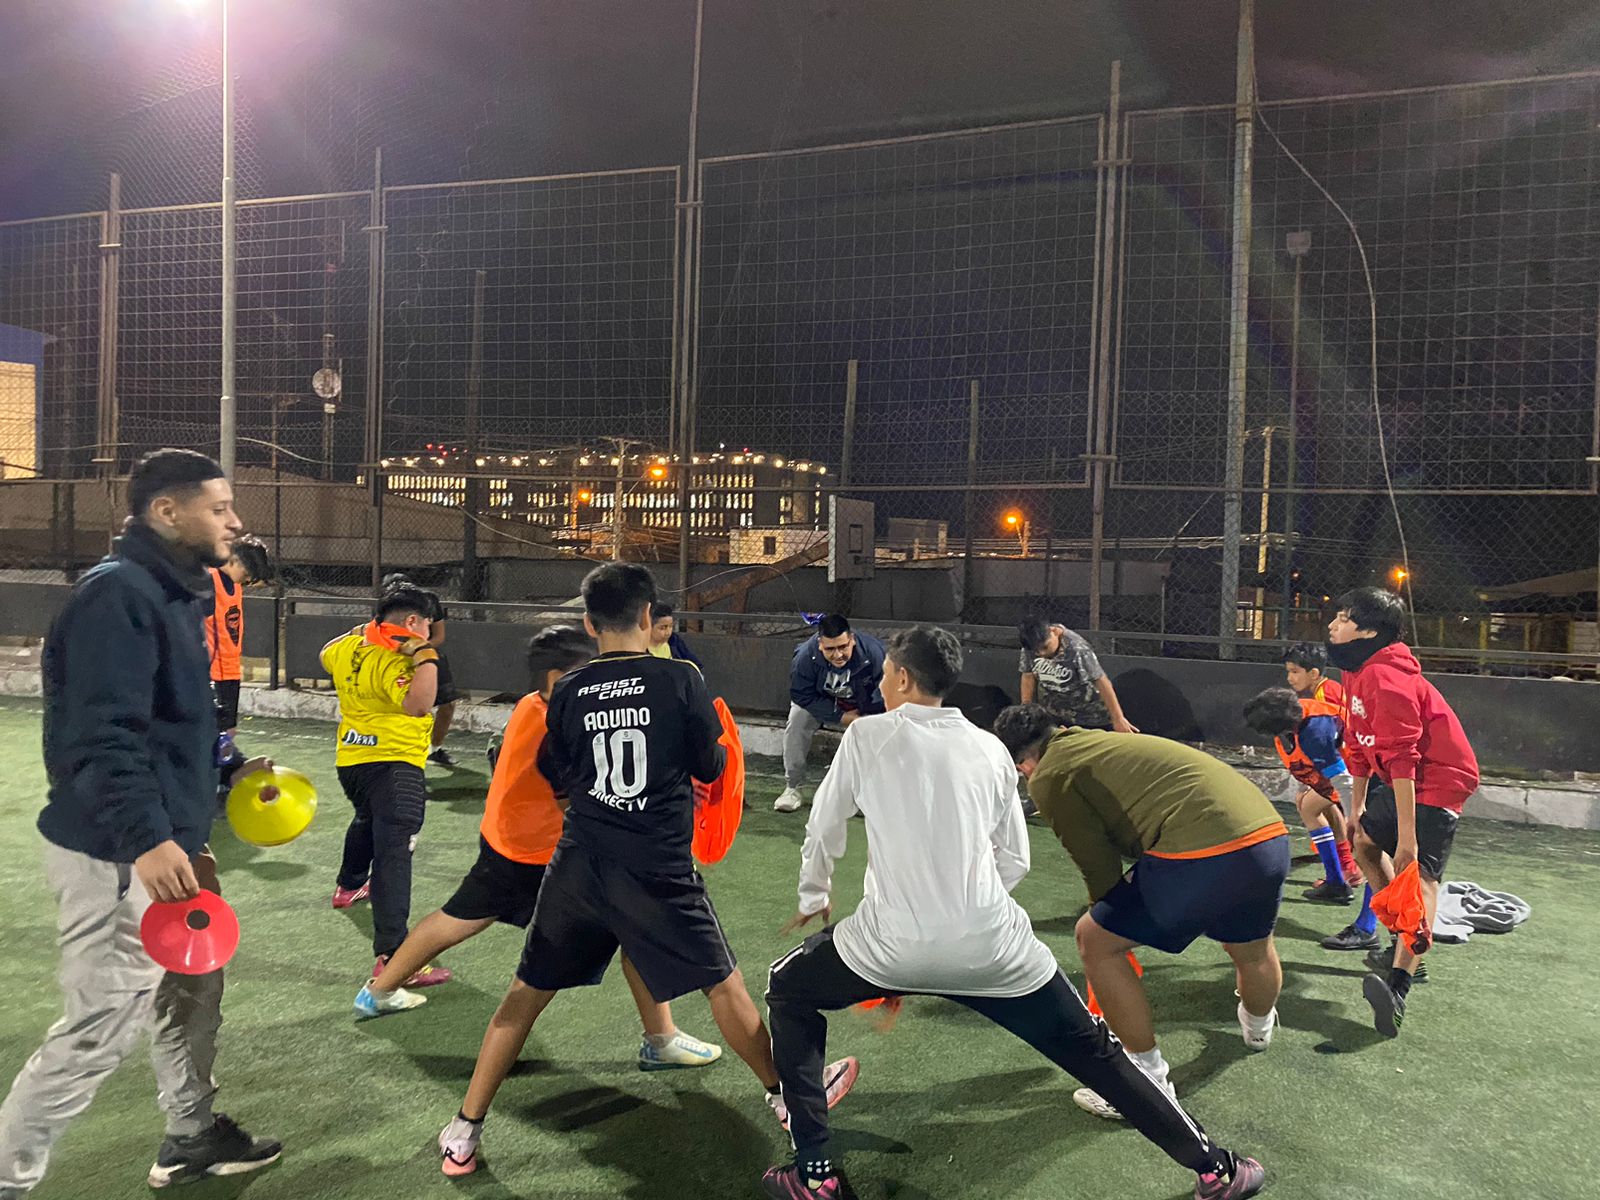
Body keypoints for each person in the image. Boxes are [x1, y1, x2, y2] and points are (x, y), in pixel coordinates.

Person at [764, 628, 1265, 1200]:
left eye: (884, 675)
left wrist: (814, 897)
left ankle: (817, 1176)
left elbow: (824, 827)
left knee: (789, 989)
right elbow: (1016, 860)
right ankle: (1216, 1169)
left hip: (885, 946)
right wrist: (966, 908)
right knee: (1098, 1055)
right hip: (995, 950)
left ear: (901, 677)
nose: (880, 684)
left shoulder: (866, 735)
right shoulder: (990, 749)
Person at [436, 563, 856, 1177]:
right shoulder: (680, 678)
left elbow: (559, 775)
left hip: (579, 866)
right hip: (657, 867)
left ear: (589, 623)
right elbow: (711, 766)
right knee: (724, 986)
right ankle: (786, 1097)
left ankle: (464, 1131)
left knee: (523, 996)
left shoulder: (568, 689)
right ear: (646, 616)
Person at [0, 449, 281, 1195]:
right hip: (118, 851)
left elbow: (171, 721)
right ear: (166, 512)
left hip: (168, 845)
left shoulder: (173, 593)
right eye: (219, 508)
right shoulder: (117, 594)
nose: (235, 521)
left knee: (192, 987)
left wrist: (230, 769)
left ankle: (190, 1136)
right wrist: (149, 839)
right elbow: (100, 737)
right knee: (96, 1031)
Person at [353, 625, 722, 1070]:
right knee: (631, 928)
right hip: (536, 851)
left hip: (510, 837)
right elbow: (578, 798)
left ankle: (379, 990)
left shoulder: (535, 704)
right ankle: (661, 1040)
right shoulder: (558, 718)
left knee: (464, 916)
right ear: (555, 678)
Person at [993, 705, 1288, 1120]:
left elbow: (1095, 862)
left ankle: (1143, 1085)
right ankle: (1258, 1030)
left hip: (1206, 847)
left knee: (1094, 940)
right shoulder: (1094, 741)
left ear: (1022, 763)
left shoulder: (1049, 774)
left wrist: (1108, 920)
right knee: (1252, 949)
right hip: (1269, 836)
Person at [1327, 587, 1480, 1038]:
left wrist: (1408, 840)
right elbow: (1357, 744)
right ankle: (1406, 939)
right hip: (1400, 776)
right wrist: (1356, 808)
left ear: (1368, 631)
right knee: (1363, 841)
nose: (1333, 624)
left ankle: (1398, 988)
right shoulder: (1355, 671)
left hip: (1439, 776)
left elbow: (1403, 756)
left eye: (1344, 618)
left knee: (1420, 876)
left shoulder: (1386, 677)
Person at [321, 584, 452, 988]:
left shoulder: (350, 647)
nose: (429, 632)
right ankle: (395, 959)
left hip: (352, 762)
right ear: (412, 621)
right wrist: (425, 656)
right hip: (395, 765)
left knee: (366, 819)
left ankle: (348, 886)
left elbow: (325, 652)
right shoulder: (403, 658)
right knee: (394, 855)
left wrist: (364, 631)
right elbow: (418, 705)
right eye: (426, 624)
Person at [1242, 685, 1361, 903]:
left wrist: (1353, 816)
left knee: (1368, 845)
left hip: (1362, 775)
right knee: (1309, 805)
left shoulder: (1316, 734)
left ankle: (1346, 883)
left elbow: (1344, 782)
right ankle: (1342, 873)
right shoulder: (1296, 717)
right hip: (1347, 770)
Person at [774, 615, 885, 813]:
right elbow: (801, 695)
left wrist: (866, 716)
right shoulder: (805, 657)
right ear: (820, 644)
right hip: (821, 702)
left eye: (843, 647)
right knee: (797, 720)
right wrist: (840, 716)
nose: (838, 655)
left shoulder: (874, 652)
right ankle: (793, 787)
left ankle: (864, 793)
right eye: (830, 649)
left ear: (852, 639)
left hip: (864, 706)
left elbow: (885, 690)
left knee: (875, 730)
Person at [382, 574, 459, 768]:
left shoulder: (428, 600)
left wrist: (420, 651)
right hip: (396, 659)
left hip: (427, 655)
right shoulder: (387, 606)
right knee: (403, 706)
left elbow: (439, 635)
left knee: (448, 703)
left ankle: (435, 749)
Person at [1017, 617, 1137, 733]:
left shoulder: (1077, 648)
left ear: (1054, 631)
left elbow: (1101, 680)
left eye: (1045, 647)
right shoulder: (1031, 644)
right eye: (1036, 651)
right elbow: (1028, 674)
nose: (1041, 653)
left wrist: (1118, 718)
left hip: (1088, 716)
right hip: (1054, 715)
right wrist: (1026, 708)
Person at [203, 533, 271, 734]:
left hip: (230, 670)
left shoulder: (234, 583)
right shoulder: (206, 581)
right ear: (234, 560)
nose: (248, 580)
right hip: (210, 674)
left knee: (228, 733)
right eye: (247, 573)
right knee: (212, 735)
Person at [648, 599, 702, 669]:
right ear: (648, 626)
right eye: (662, 628)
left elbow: (695, 664)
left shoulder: (674, 640)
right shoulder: (640, 648)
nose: (668, 632)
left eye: (671, 626)